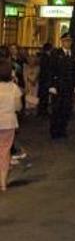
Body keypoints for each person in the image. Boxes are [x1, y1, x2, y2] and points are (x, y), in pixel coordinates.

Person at [48, 33, 75, 139]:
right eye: (66, 41)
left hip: (69, 87)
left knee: (66, 109)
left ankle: (63, 130)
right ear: (62, 42)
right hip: (58, 86)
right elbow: (51, 70)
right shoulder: (56, 54)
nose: (68, 43)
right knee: (56, 109)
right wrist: (51, 85)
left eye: (69, 41)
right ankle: (54, 130)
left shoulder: (74, 54)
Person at [0, 59, 22, 191]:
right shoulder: (13, 87)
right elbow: (18, 107)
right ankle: (3, 183)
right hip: (8, 122)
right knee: (4, 151)